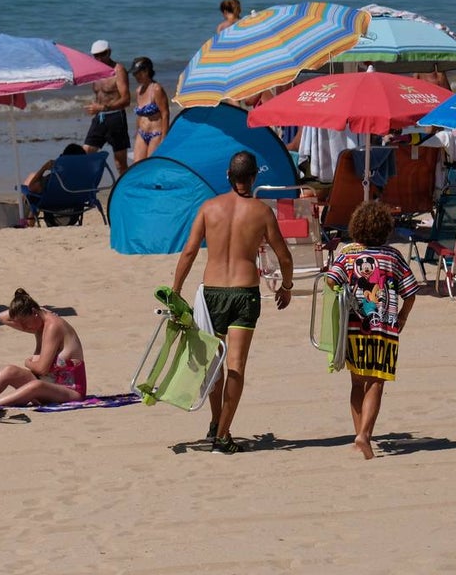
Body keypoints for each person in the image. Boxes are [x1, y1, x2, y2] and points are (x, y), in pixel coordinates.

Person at [171, 151, 294, 455]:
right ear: (254, 177)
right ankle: (223, 435)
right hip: (244, 293)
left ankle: (217, 423)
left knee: (214, 365)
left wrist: (176, 290)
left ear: (228, 176)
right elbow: (284, 256)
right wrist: (286, 286)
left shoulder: (208, 208)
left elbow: (188, 252)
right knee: (236, 365)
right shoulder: (262, 212)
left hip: (211, 293)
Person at [323, 202, 417, 460]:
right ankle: (364, 435)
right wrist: (402, 317)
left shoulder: (348, 255)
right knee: (376, 381)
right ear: (385, 229)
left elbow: (330, 281)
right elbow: (411, 291)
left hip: (353, 327)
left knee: (356, 383)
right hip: (383, 329)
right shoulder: (393, 256)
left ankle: (359, 434)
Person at [0, 288, 87, 408]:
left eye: (25, 322)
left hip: (70, 391)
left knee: (37, 385)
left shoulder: (53, 326)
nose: (24, 327)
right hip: (47, 385)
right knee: (10, 371)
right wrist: (30, 307)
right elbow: (1, 317)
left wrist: (28, 363)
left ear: (34, 312)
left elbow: (41, 369)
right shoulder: (38, 324)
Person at [82, 40, 131, 176]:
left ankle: (123, 190)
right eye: (96, 56)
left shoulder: (118, 70)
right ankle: (87, 185)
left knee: (120, 163)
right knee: (85, 153)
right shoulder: (95, 70)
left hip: (116, 118)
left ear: (109, 52)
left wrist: (103, 107)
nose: (99, 58)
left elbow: (126, 99)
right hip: (99, 118)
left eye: (102, 54)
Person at [129, 57, 170, 162]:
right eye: (134, 74)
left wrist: (164, 138)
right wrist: (137, 130)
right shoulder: (139, 90)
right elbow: (140, 115)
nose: (135, 76)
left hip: (156, 134)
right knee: (137, 166)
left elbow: (165, 113)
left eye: (137, 73)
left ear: (146, 71)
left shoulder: (156, 89)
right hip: (142, 133)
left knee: (150, 165)